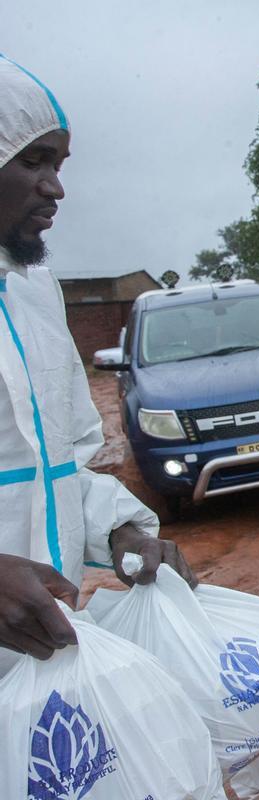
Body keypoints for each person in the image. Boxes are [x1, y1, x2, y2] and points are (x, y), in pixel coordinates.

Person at [0, 54, 194, 675]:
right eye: (33, 161)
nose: (56, 187)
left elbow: (56, 472)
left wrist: (121, 533)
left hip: (40, 666)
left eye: (57, 165)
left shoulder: (33, 295)